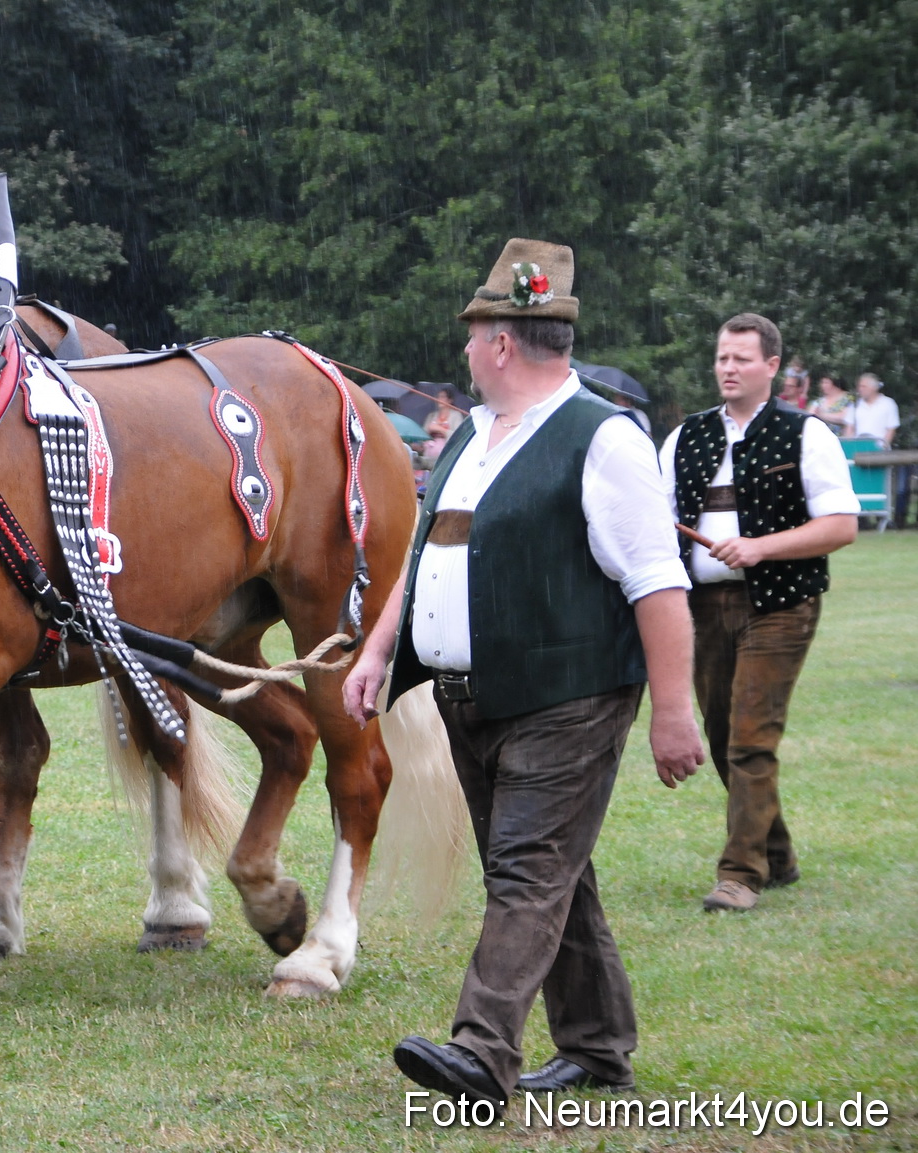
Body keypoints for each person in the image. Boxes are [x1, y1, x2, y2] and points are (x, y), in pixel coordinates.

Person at [343, 238, 703, 1104]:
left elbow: (657, 583)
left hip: (569, 696)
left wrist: (673, 710)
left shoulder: (604, 439)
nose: (465, 351)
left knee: (524, 868)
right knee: (554, 874)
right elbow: (426, 554)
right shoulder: (471, 436)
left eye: (472, 335)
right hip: (476, 695)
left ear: (501, 342)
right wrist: (379, 646)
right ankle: (597, 1047)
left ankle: (481, 1049)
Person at [661, 315, 858, 912]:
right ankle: (777, 852)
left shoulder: (807, 434)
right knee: (723, 737)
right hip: (702, 607)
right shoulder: (684, 438)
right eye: (722, 357)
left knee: (750, 736)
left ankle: (740, 873)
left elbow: (841, 526)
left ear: (771, 366)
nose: (728, 368)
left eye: (741, 359)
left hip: (780, 605)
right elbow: (654, 519)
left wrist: (760, 547)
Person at [846, 373, 900, 449]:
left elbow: (891, 429)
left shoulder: (888, 404)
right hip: (858, 449)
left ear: (873, 388)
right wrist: (850, 447)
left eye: (863, 386)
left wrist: (883, 448)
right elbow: (849, 428)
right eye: (859, 386)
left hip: (880, 450)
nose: (860, 389)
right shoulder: (855, 405)